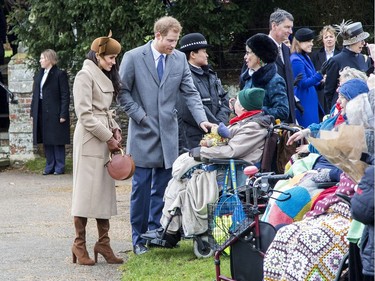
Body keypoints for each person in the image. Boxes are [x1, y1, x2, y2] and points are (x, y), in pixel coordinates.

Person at [117, 16, 212, 255]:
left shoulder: (179, 59)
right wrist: (141, 117)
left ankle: (156, 232)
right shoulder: (132, 57)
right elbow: (122, 93)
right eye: (170, 40)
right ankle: (137, 239)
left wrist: (202, 119)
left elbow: (190, 93)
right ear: (158, 35)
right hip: (142, 133)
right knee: (140, 189)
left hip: (169, 135)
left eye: (176, 40)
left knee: (164, 187)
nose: (173, 45)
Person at [142, 87, 274, 247]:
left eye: (236, 101)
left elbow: (232, 151)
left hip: (235, 172)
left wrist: (204, 152)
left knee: (187, 182)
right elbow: (229, 141)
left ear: (244, 107)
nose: (233, 103)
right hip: (228, 168)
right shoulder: (247, 122)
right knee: (180, 181)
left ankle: (171, 231)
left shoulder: (254, 126)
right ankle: (169, 230)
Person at [71, 33, 123, 265]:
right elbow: (85, 115)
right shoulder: (84, 76)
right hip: (89, 139)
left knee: (103, 192)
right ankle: (78, 244)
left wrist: (116, 128)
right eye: (110, 57)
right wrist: (107, 137)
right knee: (84, 193)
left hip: (103, 137)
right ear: (98, 55)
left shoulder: (102, 74)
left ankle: (103, 243)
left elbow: (105, 111)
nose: (113, 62)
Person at [178, 32, 231, 150]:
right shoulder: (185, 78)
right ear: (192, 54)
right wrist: (216, 125)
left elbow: (224, 99)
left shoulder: (210, 74)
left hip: (216, 134)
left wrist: (220, 123)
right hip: (195, 138)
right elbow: (190, 107)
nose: (207, 55)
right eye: (204, 51)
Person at [30, 49, 70, 175]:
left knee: (57, 139)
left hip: (55, 111)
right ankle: (49, 165)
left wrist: (63, 113)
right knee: (46, 139)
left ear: (49, 59)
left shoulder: (59, 74)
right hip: (42, 110)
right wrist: (33, 111)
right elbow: (35, 94)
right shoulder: (39, 74)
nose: (40, 60)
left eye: (42, 58)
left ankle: (59, 166)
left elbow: (65, 95)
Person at [239, 33, 289, 122]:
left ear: (259, 56)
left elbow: (283, 111)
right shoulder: (248, 77)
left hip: (265, 132)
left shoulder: (275, 80)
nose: (245, 57)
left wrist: (256, 111)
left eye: (248, 53)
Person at [323, 20, 371, 111]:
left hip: (362, 109)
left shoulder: (365, 59)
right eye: (360, 40)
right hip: (341, 110)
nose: (363, 43)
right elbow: (329, 92)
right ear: (351, 42)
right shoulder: (335, 61)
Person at [290, 28, 324, 128]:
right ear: (299, 42)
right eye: (308, 41)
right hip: (304, 102)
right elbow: (303, 83)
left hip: (310, 101)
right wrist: (320, 74)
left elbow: (313, 79)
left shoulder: (305, 57)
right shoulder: (296, 60)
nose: (311, 44)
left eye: (312, 41)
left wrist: (323, 82)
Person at [268, 8, 296, 123]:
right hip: (269, 116)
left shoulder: (285, 49)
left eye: (291, 27)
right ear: (274, 26)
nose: (291, 31)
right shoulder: (260, 48)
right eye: (287, 27)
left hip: (287, 115)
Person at [310, 25, 341, 117]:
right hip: (321, 90)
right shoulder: (315, 55)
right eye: (326, 37)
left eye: (331, 36)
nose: (329, 39)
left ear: (335, 38)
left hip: (336, 90)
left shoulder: (341, 54)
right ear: (322, 39)